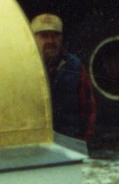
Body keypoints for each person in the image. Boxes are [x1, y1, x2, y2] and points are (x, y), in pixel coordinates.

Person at [29, 13, 96, 141]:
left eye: (55, 35)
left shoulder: (75, 66)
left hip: (69, 140)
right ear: (32, 38)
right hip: (34, 142)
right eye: (44, 36)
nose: (50, 41)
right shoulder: (24, 67)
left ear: (61, 38)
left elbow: (88, 108)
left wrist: (83, 140)